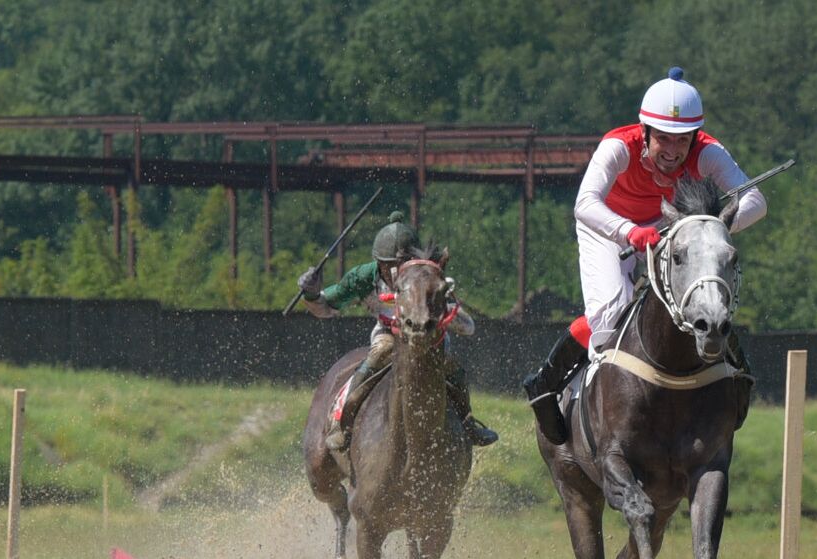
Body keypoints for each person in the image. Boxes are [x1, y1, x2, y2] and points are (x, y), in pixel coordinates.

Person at [521, 67, 769, 444]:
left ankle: (738, 370)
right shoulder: (617, 146)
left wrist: (703, 231)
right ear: (645, 133)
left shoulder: (709, 152)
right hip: (607, 227)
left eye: (682, 141)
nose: (672, 152)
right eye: (663, 140)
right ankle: (544, 383)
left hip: (669, 231)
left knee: (703, 298)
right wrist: (630, 232)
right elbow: (585, 204)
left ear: (695, 137)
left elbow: (756, 202)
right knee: (611, 312)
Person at [297, 211, 498, 452]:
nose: (394, 273)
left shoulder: (429, 276)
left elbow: (467, 326)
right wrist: (310, 293)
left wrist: (442, 313)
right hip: (388, 333)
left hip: (429, 338)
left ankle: (468, 423)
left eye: (399, 265)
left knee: (454, 370)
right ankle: (343, 425)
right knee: (378, 354)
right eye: (387, 266)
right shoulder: (363, 277)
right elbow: (326, 307)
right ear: (378, 263)